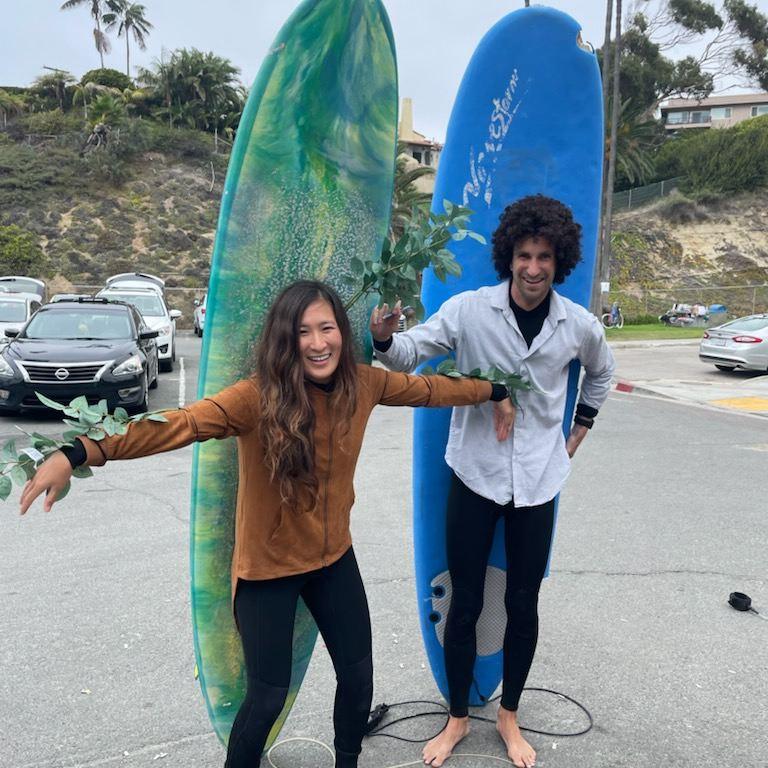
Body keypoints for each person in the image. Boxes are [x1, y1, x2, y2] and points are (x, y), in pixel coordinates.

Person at [20, 280, 515, 768]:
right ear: (285, 339)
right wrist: (80, 450)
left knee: (358, 676)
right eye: (303, 331)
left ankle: (347, 760)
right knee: (266, 698)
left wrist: (493, 390)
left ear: (342, 332)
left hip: (333, 559)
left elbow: (429, 389)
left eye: (327, 328)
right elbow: (182, 423)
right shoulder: (255, 398)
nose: (318, 343)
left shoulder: (364, 383)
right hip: (267, 570)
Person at [370, 195, 616, 768]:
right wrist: (383, 338)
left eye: (544, 257)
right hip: (475, 476)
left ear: (559, 261)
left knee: (524, 603)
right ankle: (457, 717)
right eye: (524, 255)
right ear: (509, 257)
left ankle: (509, 715)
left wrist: (578, 430)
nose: (533, 268)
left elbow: (602, 374)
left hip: (538, 483)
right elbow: (409, 354)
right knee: (467, 603)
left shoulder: (577, 325)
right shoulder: (470, 311)